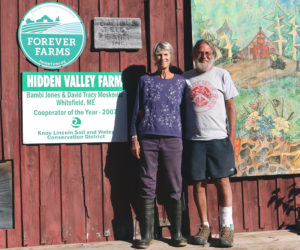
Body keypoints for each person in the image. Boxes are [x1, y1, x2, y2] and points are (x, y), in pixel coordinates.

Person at [130, 41, 187, 249]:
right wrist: (134, 138)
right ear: (154, 59)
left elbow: (187, 113)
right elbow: (136, 110)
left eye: (165, 54)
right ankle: (146, 235)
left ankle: (177, 233)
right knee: (147, 182)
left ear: (171, 57)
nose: (162, 58)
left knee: (174, 182)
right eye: (159, 55)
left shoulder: (181, 82)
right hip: (149, 138)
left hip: (173, 138)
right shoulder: (145, 80)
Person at [183, 39, 238, 247]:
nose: (203, 56)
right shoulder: (185, 78)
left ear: (213, 55)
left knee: (223, 181)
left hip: (219, 139)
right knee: (198, 183)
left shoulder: (222, 75)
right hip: (194, 140)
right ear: (194, 55)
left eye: (207, 53)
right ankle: (205, 226)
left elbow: (231, 108)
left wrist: (231, 137)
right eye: (199, 53)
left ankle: (227, 227)